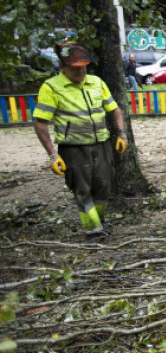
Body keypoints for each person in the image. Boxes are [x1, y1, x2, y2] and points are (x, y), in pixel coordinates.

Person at [32, 41, 128, 241]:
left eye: (83, 66)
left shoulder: (96, 82)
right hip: (73, 149)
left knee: (103, 186)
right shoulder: (51, 87)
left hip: (102, 145)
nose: (81, 71)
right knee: (82, 190)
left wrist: (121, 134)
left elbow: (115, 110)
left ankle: (100, 221)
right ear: (62, 66)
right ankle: (93, 230)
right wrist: (52, 155)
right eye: (75, 68)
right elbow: (40, 123)